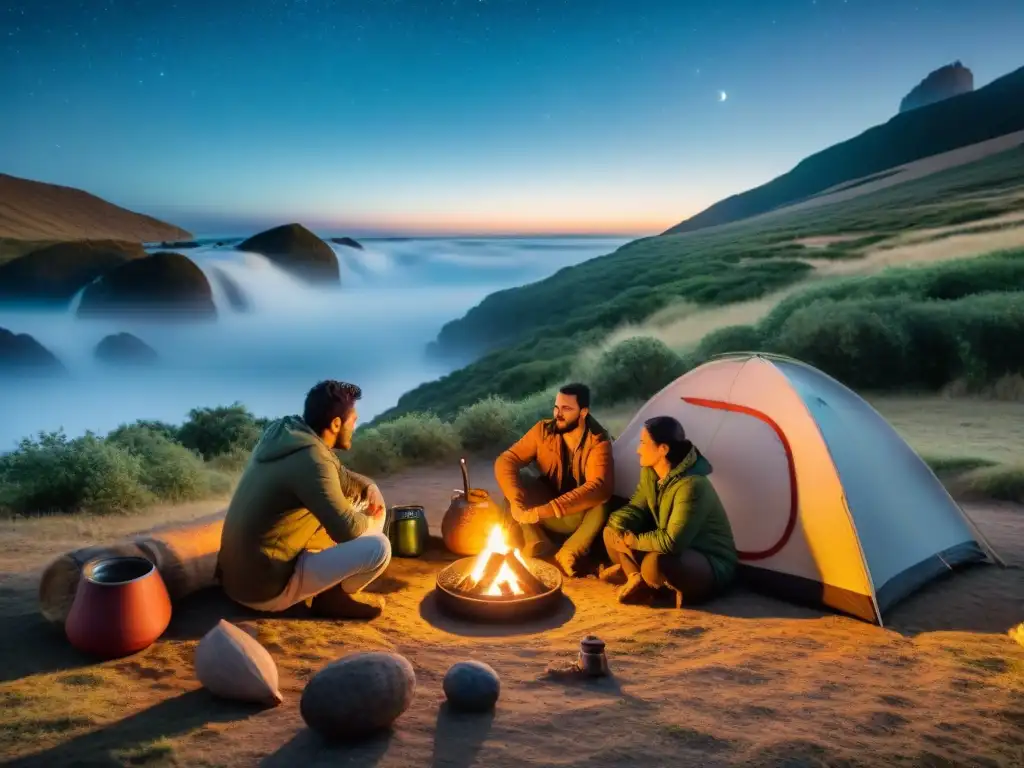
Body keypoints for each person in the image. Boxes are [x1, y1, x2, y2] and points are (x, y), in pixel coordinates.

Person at [217, 380, 391, 620]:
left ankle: (329, 586)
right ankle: (332, 599)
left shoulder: (287, 433)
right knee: (379, 548)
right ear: (336, 424)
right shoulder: (314, 461)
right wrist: (374, 518)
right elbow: (348, 530)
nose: (356, 425)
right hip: (265, 590)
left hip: (236, 579)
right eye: (353, 420)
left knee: (354, 508)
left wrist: (371, 487)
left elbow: (340, 475)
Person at [601, 415, 737, 606]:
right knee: (611, 533)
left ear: (663, 449)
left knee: (655, 563)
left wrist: (635, 541)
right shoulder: (651, 473)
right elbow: (637, 508)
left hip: (706, 559)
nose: (638, 449)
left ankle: (654, 583)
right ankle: (634, 577)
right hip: (665, 543)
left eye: (643, 443)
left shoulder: (692, 485)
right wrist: (619, 522)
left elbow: (673, 542)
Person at [494, 382, 614, 577]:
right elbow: (507, 460)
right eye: (556, 407)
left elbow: (599, 487)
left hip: (577, 517)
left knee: (601, 501)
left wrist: (546, 510)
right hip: (543, 512)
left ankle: (569, 552)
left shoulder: (598, 441)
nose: (558, 414)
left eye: (566, 409)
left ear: (583, 412)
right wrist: (515, 500)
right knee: (518, 480)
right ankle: (535, 541)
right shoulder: (543, 430)